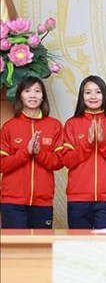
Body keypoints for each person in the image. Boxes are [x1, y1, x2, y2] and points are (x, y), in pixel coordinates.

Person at [61, 76, 106, 229]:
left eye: (98, 92)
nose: (93, 96)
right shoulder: (72, 124)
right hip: (78, 197)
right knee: (78, 247)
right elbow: (67, 161)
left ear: (104, 95)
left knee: (104, 247)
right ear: (82, 96)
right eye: (88, 92)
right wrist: (88, 143)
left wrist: (103, 142)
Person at [0, 76, 63, 228]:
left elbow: (59, 162)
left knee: (41, 249)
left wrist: (39, 152)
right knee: (14, 250)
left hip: (43, 202)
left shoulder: (54, 126)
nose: (33, 95)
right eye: (27, 91)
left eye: (37, 91)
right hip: (12, 202)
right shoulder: (9, 127)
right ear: (20, 96)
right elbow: (2, 165)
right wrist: (26, 152)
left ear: (43, 97)